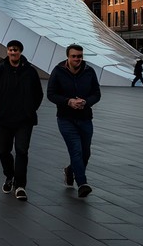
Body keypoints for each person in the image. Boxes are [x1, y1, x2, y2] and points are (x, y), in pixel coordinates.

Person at [0, 40, 43, 201]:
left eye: (15, 50)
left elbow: (38, 94)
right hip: (5, 118)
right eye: (10, 50)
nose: (12, 53)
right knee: (3, 151)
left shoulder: (30, 71)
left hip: (24, 119)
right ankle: (10, 176)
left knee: (22, 151)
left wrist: (30, 109)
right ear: (7, 52)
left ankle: (20, 185)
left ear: (20, 52)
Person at [47, 44, 101, 198]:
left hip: (85, 118)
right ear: (68, 57)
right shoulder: (58, 71)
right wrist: (68, 101)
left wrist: (86, 102)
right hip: (65, 118)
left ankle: (70, 170)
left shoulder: (89, 72)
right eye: (74, 56)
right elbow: (51, 94)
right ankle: (82, 183)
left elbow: (97, 94)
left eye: (80, 56)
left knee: (86, 153)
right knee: (75, 150)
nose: (77, 59)